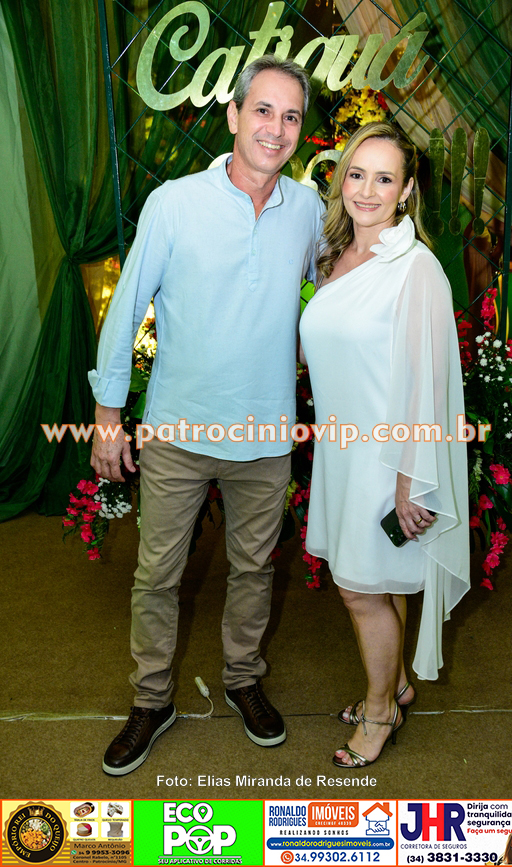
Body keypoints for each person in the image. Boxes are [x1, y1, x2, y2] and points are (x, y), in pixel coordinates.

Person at [89, 55, 323, 775]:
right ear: (233, 115)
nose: (275, 128)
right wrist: (107, 414)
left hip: (265, 434)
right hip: (178, 431)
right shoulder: (175, 203)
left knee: (253, 569)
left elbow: (334, 296)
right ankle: (151, 698)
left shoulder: (309, 210)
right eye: (262, 110)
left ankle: (243, 679)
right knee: (157, 576)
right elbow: (126, 307)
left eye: (290, 116)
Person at [299, 121, 469, 768]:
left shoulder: (414, 267)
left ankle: (379, 712)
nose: (366, 190)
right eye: (356, 174)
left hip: (385, 457)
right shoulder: (335, 254)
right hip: (341, 451)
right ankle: (394, 684)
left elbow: (426, 382)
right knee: (381, 581)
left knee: (359, 590)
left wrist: (409, 479)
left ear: (406, 191)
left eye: (384, 178)